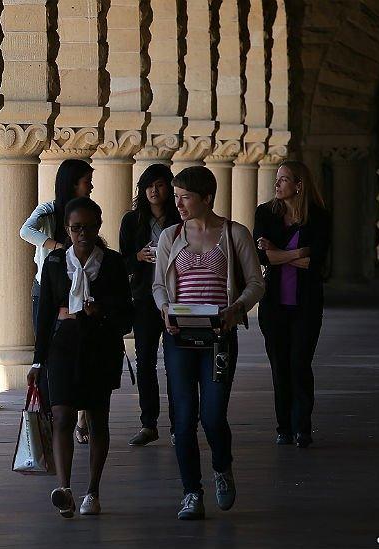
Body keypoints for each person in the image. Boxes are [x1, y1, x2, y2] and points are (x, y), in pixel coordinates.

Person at [152, 166, 264, 520]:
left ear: (207, 198)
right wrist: (165, 309)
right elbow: (158, 286)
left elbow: (256, 283)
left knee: (213, 415)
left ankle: (221, 467)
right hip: (179, 337)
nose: (179, 204)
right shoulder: (171, 236)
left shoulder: (234, 234)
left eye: (186, 197)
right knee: (183, 419)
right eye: (176, 197)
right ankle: (191, 492)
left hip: (218, 337)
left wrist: (237, 308)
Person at [28, 197, 133, 518]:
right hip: (63, 346)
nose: (82, 234)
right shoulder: (56, 262)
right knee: (61, 415)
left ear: (99, 227)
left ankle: (93, 491)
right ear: (67, 230)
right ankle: (65, 488)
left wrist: (100, 311)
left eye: (88, 227)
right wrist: (36, 361)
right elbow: (44, 313)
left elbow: (126, 316)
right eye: (76, 228)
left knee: (98, 418)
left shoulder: (113, 263)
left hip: (100, 346)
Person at [253, 160, 330, 449]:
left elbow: (315, 262)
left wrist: (277, 252)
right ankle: (283, 427)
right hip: (274, 304)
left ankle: (302, 427)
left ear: (299, 185)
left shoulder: (319, 218)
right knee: (279, 366)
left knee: (299, 363)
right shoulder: (265, 213)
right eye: (277, 178)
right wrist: (297, 253)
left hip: (306, 304)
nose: (277, 184)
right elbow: (261, 257)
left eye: (284, 179)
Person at [20, 159, 95, 444]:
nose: (91, 185)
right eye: (86, 180)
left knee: (81, 353)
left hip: (79, 293)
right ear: (73, 182)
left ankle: (81, 414)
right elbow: (25, 231)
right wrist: (57, 246)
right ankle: (54, 419)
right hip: (47, 290)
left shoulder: (87, 213)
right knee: (48, 354)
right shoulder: (49, 210)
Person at [119, 164, 180, 447]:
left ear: (169, 188)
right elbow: (121, 262)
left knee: (175, 362)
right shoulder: (132, 221)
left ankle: (179, 424)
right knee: (145, 361)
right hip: (144, 298)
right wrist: (138, 256)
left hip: (176, 298)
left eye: (159, 185)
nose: (154, 191)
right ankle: (149, 423)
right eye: (149, 186)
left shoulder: (180, 219)